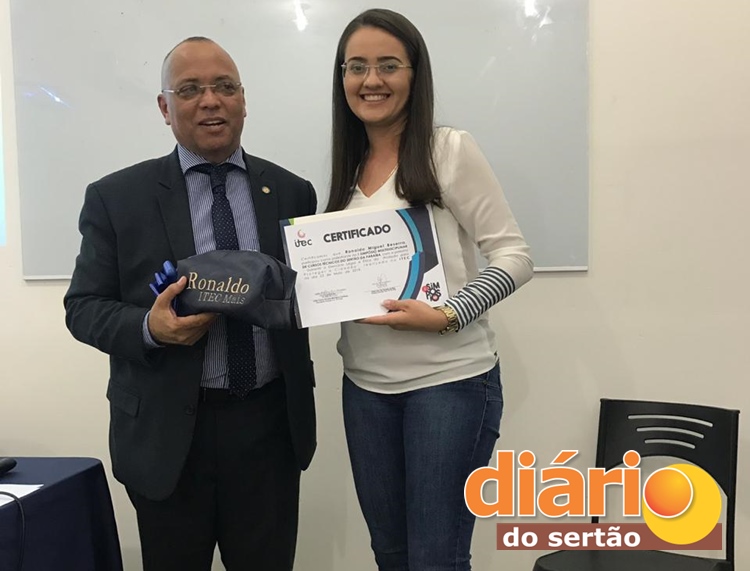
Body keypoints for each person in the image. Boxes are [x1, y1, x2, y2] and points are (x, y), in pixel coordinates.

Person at [64, 37, 317, 571]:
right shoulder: (116, 197)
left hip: (269, 430)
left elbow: (305, 295)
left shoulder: (293, 192)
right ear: (165, 106)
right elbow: (83, 306)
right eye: (189, 90)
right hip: (167, 436)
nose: (210, 100)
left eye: (224, 87)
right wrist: (150, 328)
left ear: (243, 99)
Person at [328, 9, 534, 571]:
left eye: (388, 65)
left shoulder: (449, 149)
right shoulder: (348, 165)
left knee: (436, 559)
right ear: (342, 77)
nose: (371, 80)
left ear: (415, 75)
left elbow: (515, 257)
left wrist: (448, 314)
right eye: (356, 67)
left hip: (449, 385)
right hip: (364, 388)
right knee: (391, 554)